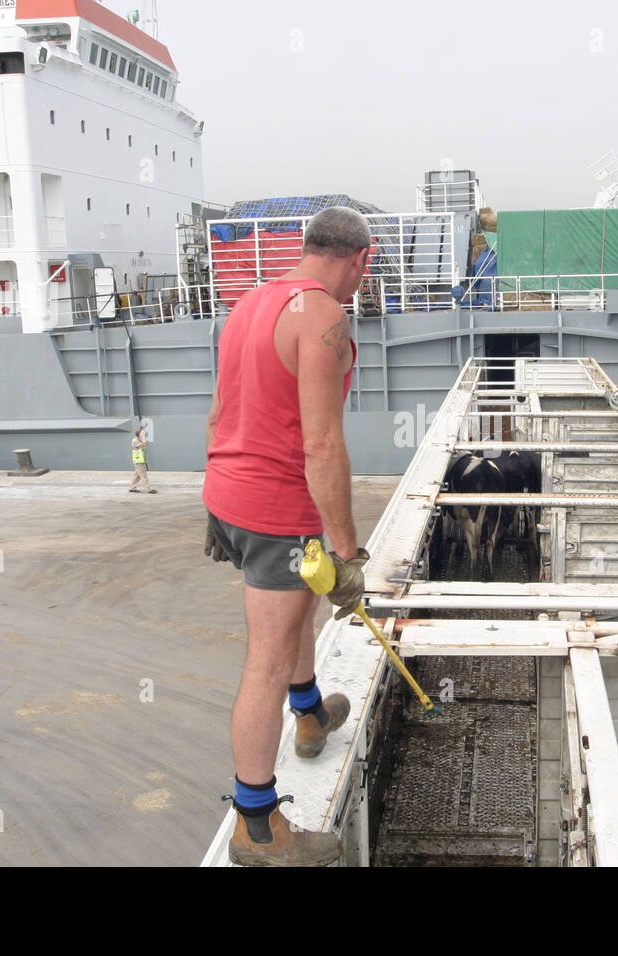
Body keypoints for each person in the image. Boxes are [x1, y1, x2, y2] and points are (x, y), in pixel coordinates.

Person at [202, 206, 371, 866]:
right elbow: (324, 445)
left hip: (231, 496)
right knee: (266, 659)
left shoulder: (249, 303)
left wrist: (214, 502)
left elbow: (220, 408)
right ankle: (257, 824)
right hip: (275, 509)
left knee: (297, 608)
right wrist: (348, 553)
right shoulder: (325, 316)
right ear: (361, 258)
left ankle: (310, 715)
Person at [129, 428, 155, 493]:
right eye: (142, 435)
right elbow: (144, 444)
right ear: (139, 435)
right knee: (143, 475)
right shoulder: (135, 441)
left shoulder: (138, 440)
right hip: (138, 461)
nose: (144, 436)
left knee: (137, 475)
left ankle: (132, 488)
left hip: (139, 461)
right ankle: (149, 489)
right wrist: (143, 437)